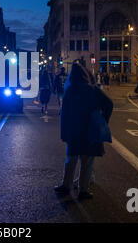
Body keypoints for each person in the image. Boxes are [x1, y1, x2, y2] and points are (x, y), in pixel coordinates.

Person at [55, 63, 113, 200]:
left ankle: (66, 185)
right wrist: (103, 120)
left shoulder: (69, 91)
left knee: (71, 159)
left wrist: (64, 133)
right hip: (90, 130)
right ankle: (83, 190)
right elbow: (109, 104)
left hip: (74, 130)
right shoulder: (93, 90)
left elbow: (64, 114)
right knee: (87, 162)